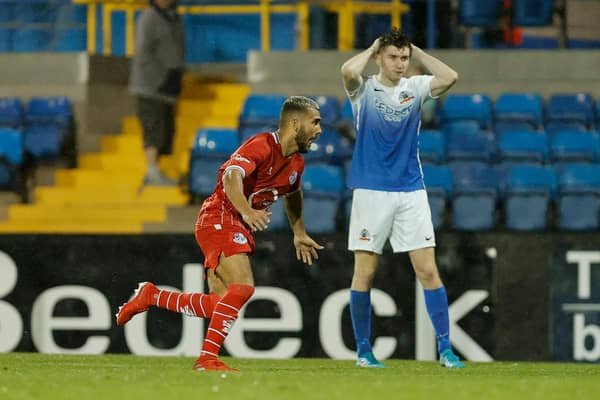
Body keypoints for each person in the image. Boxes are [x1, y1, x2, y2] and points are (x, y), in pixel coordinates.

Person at [116, 96, 325, 371]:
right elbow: (231, 177)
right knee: (244, 286)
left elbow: (292, 194)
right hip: (219, 217)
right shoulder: (262, 145)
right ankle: (207, 359)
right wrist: (247, 211)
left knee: (219, 305)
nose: (320, 130)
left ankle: (152, 296)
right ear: (295, 123)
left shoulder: (296, 164)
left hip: (235, 224)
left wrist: (298, 232)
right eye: (315, 122)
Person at [340, 28, 464, 369]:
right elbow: (348, 71)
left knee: (428, 270)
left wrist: (417, 52)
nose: (400, 64)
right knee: (365, 273)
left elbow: (450, 76)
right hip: (371, 191)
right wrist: (372, 47)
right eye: (394, 57)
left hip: (411, 190)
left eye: (404, 58)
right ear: (380, 57)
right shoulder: (363, 90)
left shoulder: (415, 87)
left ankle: (445, 350)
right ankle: (364, 352)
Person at [129, 0, 184, 186]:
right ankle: (152, 172)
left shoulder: (174, 17)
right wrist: (161, 79)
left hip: (168, 88)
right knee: (153, 129)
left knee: (167, 132)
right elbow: (143, 54)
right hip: (151, 87)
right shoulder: (149, 18)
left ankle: (159, 172)